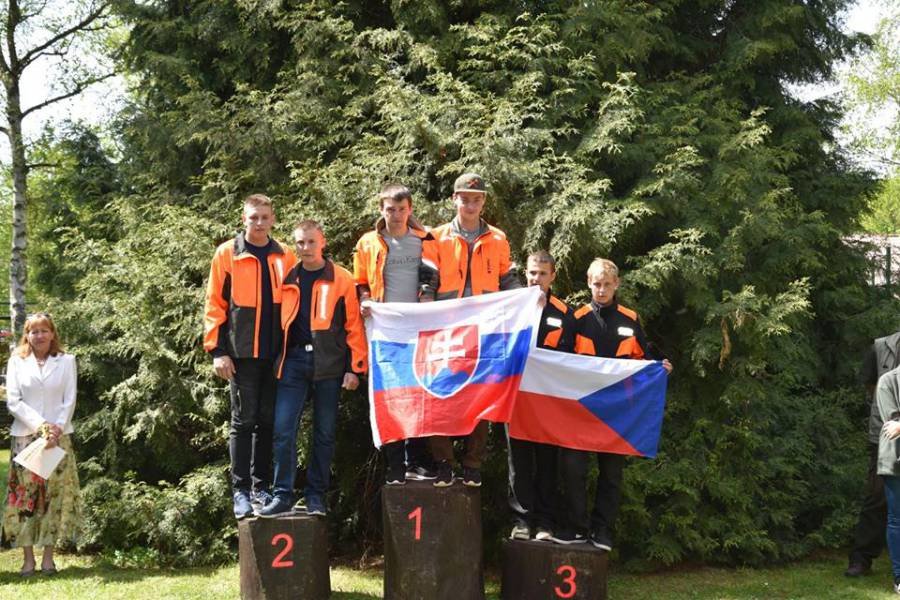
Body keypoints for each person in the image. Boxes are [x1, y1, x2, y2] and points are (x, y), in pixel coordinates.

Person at [552, 258, 672, 549]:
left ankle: (602, 531)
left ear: (617, 284)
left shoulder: (630, 319)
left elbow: (644, 360)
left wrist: (660, 367)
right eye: (597, 284)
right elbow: (559, 361)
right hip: (580, 409)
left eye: (607, 284)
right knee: (572, 468)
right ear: (588, 284)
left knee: (612, 475)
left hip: (618, 412)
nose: (602, 290)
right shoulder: (576, 318)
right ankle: (577, 529)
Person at [256, 220, 367, 517]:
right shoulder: (288, 278)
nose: (305, 248)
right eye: (300, 243)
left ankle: (316, 496)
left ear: (322, 242)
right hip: (293, 363)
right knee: (283, 430)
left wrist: (354, 368)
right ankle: (282, 495)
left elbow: (354, 326)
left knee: (324, 433)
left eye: (311, 242)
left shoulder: (341, 278)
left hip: (330, 365)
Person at [203, 193, 296, 519]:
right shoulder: (227, 253)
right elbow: (214, 303)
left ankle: (261, 488)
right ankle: (240, 491)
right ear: (244, 219)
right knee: (243, 422)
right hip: (240, 354)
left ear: (273, 219)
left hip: (276, 354)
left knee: (268, 423)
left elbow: (296, 302)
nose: (258, 223)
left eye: (264, 217)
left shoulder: (285, 255)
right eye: (253, 217)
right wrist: (217, 350)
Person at [429, 172, 520, 487]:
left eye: (476, 200)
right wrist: (424, 311)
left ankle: (472, 463)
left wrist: (526, 299)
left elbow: (508, 278)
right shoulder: (436, 237)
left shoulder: (498, 238)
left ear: (484, 202)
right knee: (439, 393)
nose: (470, 205)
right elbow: (427, 281)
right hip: (444, 330)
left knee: (480, 396)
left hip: (485, 331)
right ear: (454, 199)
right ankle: (443, 463)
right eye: (465, 199)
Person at [353, 183, 440, 485]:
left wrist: (427, 296)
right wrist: (365, 299)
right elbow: (360, 281)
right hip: (384, 328)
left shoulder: (425, 239)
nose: (397, 215)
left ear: (410, 209)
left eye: (402, 209)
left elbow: (433, 276)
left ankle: (416, 459)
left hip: (417, 327)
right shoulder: (368, 242)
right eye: (391, 209)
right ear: (381, 209)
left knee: (419, 392)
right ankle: (394, 464)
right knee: (389, 394)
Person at [2, 313, 81, 576]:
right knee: (25, 499)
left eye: (44, 330)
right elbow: (14, 401)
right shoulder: (17, 361)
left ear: (52, 333)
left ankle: (48, 559)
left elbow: (70, 398)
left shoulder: (66, 361)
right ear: (27, 335)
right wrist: (42, 427)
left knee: (54, 498)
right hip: (26, 437)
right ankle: (28, 560)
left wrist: (55, 429)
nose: (39, 336)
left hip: (58, 438)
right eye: (34, 331)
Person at [508, 250, 575, 541]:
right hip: (516, 398)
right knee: (519, 463)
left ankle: (546, 523)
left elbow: (573, 359)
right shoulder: (510, 306)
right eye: (532, 273)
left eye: (543, 274)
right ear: (526, 273)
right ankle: (521, 521)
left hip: (549, 401)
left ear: (553, 276)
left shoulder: (565, 314)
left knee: (548, 463)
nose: (536, 278)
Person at [846, 332, 899, 576]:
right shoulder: (880, 347)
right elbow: (871, 386)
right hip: (884, 436)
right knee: (877, 496)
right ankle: (861, 559)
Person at [873, 365, 900, 594]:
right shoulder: (888, 381)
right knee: (897, 519)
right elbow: (892, 424)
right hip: (895, 463)